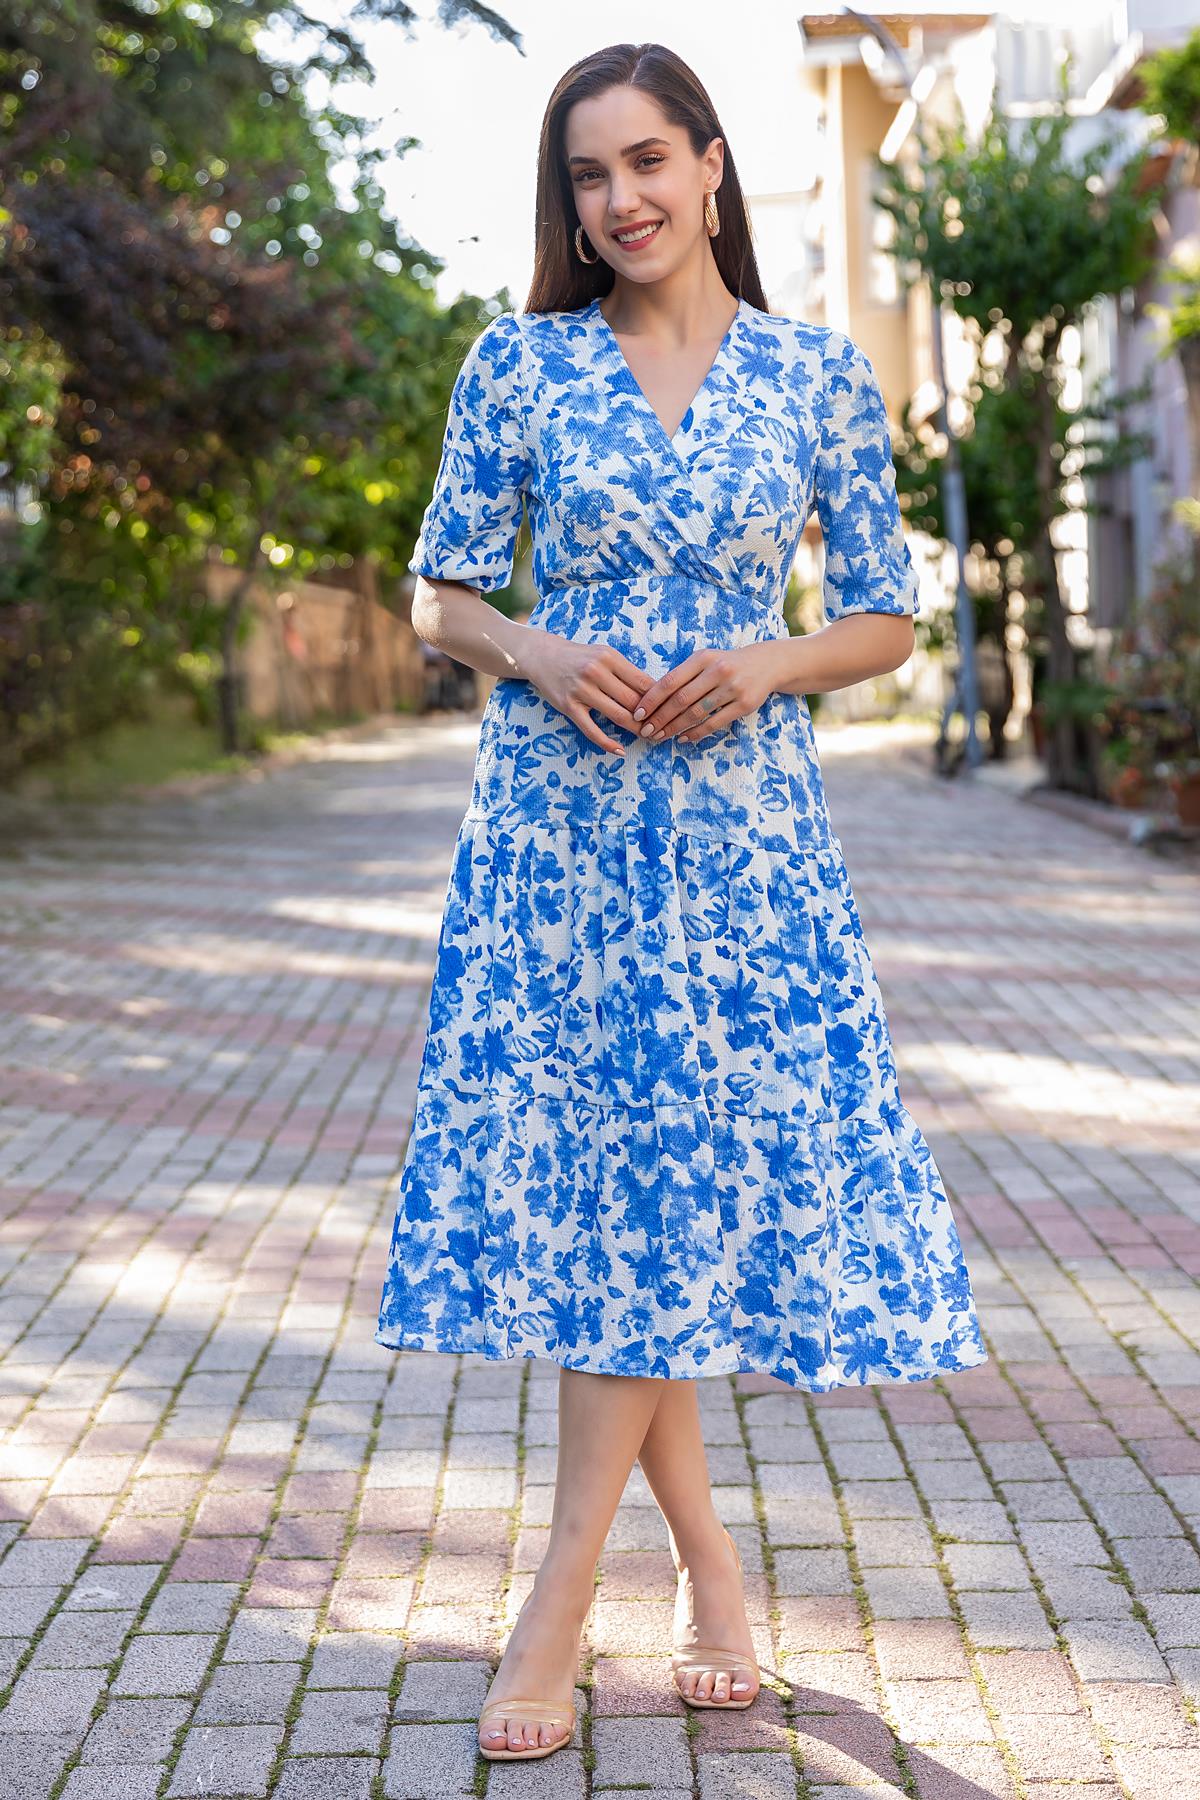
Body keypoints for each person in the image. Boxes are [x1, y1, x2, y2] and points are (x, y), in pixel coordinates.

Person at [375, 40, 988, 1765]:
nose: (620, 199)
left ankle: (566, 1592)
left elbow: (882, 618)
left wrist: (768, 665)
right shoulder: (520, 364)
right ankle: (700, 1575)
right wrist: (532, 641)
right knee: (614, 1195)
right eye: (587, 174)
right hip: (558, 843)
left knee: (671, 1190)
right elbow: (438, 595)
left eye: (647, 161)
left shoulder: (814, 376)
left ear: (712, 167)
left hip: (741, 847)